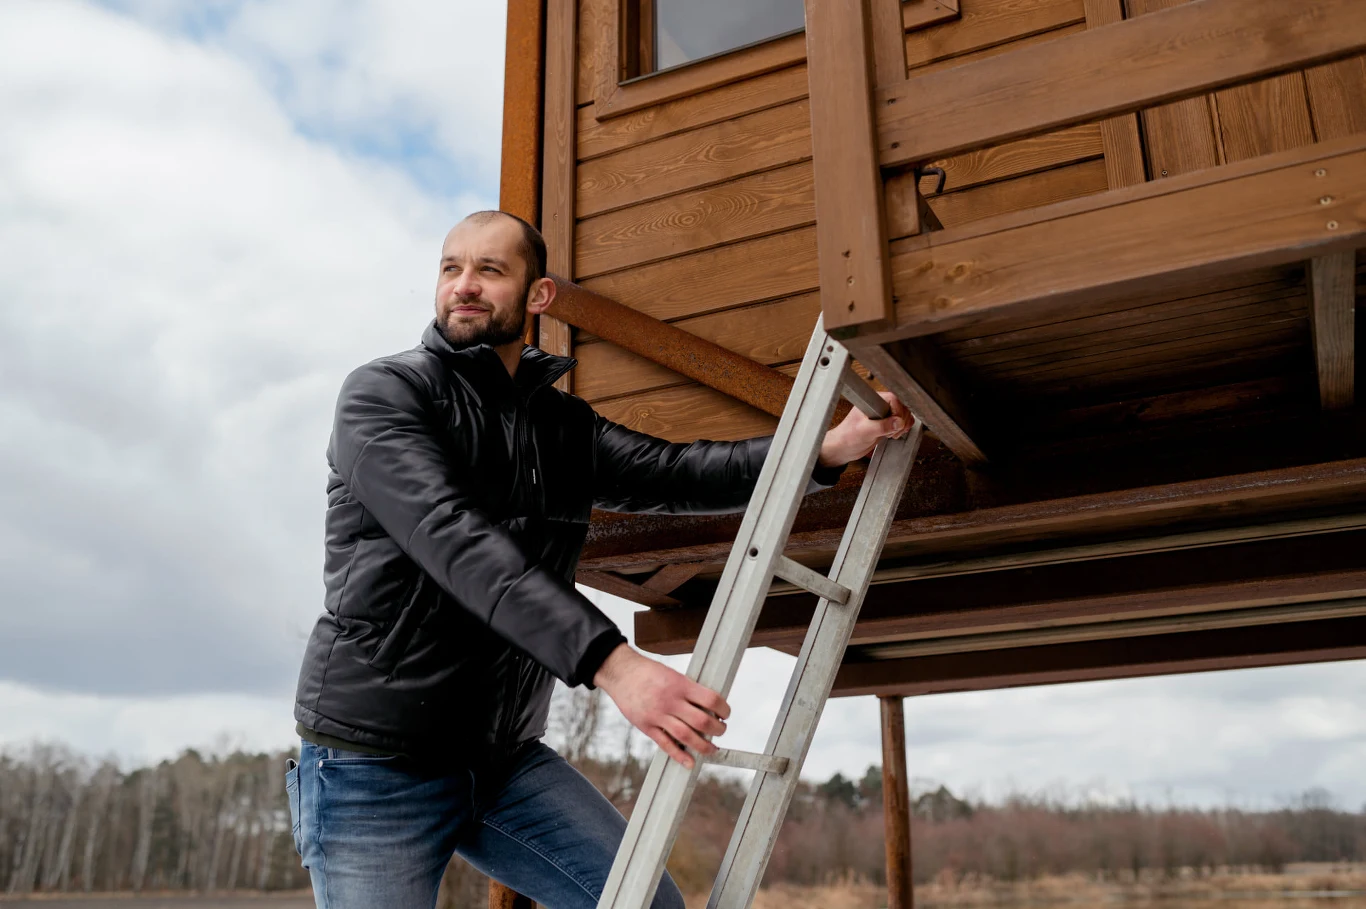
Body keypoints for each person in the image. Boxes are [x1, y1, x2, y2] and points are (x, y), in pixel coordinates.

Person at [286, 210, 914, 909]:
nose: (464, 286)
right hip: (375, 763)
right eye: (451, 267)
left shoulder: (560, 426)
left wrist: (823, 452)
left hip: (499, 758)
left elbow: (676, 473)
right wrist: (616, 665)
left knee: (646, 902)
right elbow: (453, 538)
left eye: (489, 271)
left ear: (538, 295)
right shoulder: (383, 395)